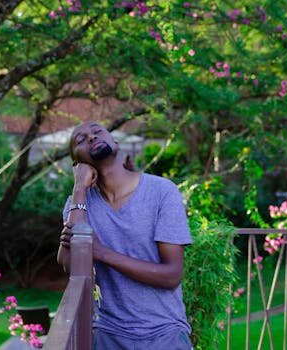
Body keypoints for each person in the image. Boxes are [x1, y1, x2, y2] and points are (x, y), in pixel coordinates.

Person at [57, 121, 193, 349]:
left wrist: (101, 253)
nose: (91, 137)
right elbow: (71, 265)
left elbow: (172, 275)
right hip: (108, 334)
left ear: (115, 142)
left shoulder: (161, 191)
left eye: (97, 131)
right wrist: (79, 188)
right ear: (76, 163)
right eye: (80, 139)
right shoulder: (76, 204)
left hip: (164, 333)